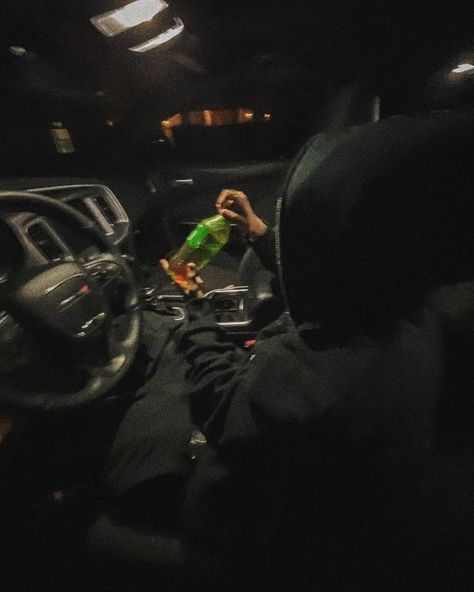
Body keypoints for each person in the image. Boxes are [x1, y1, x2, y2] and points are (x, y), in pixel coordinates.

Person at [102, 108, 474, 592]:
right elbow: (331, 275)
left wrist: (196, 308)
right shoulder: (413, 309)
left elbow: (220, 397)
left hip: (253, 538)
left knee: (130, 453)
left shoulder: (321, 379)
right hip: (332, 491)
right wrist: (258, 234)